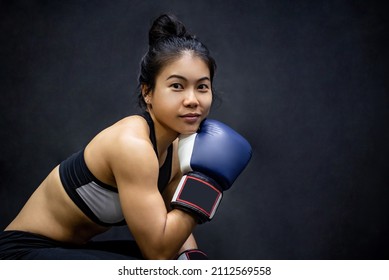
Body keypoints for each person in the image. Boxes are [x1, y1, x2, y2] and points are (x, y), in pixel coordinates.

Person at [0, 14, 251, 260]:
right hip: (20, 255)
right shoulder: (132, 145)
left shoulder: (176, 148)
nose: (192, 100)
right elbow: (158, 253)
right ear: (148, 93)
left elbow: (173, 222)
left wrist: (191, 261)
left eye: (202, 87)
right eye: (177, 86)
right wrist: (206, 183)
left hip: (68, 253)